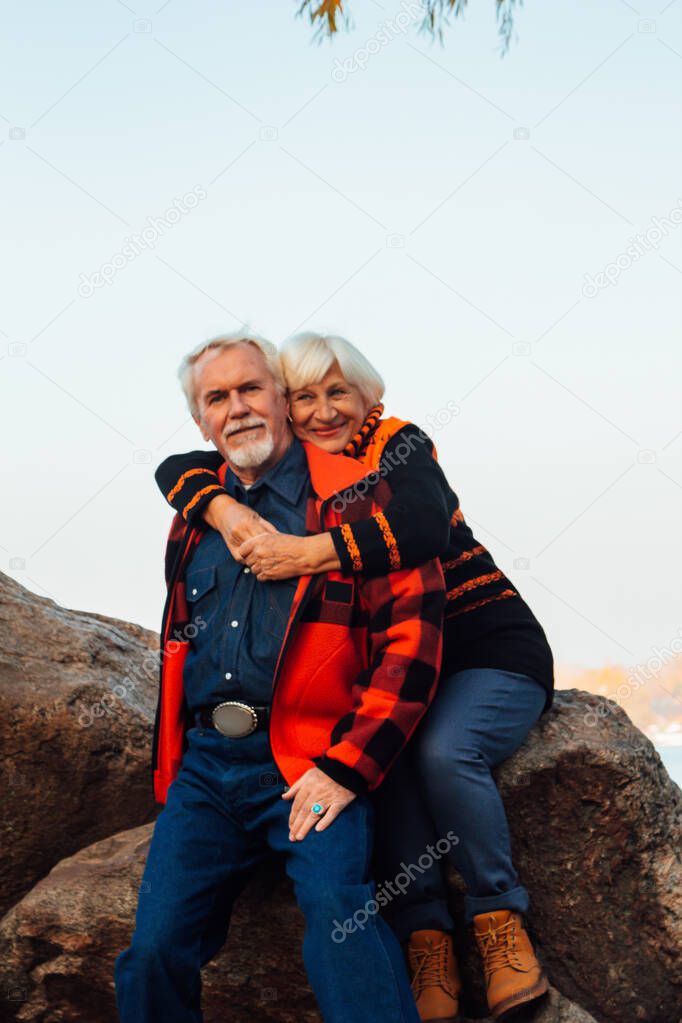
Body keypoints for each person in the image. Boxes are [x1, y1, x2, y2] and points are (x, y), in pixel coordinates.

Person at [155, 332, 555, 1023]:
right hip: (391, 685)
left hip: (484, 645)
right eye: (306, 396)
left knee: (438, 751)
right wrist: (220, 506)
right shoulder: (251, 489)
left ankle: (497, 918)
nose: (321, 411)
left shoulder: (394, 449)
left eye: (336, 392)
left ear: (370, 396)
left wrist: (310, 552)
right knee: (387, 761)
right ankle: (426, 931)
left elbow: (425, 525)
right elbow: (176, 466)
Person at [114, 333, 446, 1023]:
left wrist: (347, 768)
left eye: (250, 389)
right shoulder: (195, 518)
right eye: (216, 398)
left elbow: (411, 647)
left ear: (284, 401)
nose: (236, 409)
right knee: (151, 951)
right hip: (206, 770)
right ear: (201, 420)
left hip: (309, 759)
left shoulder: (360, 497)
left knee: (339, 916)